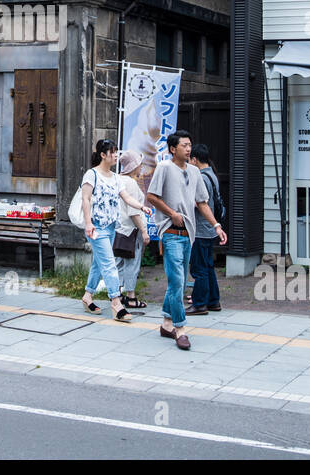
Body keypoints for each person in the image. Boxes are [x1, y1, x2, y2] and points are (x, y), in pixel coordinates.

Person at [146, 130, 220, 350]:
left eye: (190, 145)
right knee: (177, 282)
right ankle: (180, 329)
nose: (188, 149)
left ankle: (167, 323)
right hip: (170, 233)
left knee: (176, 282)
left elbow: (202, 203)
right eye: (184, 145)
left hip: (189, 234)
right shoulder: (164, 168)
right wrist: (172, 214)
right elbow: (151, 196)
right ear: (172, 149)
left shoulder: (196, 173)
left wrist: (216, 225)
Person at [80, 139, 151, 324]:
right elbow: (85, 200)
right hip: (96, 227)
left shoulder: (116, 178)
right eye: (112, 153)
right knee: (110, 264)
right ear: (103, 155)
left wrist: (142, 207)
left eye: (116, 152)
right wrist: (88, 223)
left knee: (98, 263)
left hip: (111, 227)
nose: (115, 156)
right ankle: (116, 303)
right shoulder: (91, 174)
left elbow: (126, 198)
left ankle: (88, 296)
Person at [189, 144, 227, 313]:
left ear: (194, 160)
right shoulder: (211, 174)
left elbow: (199, 203)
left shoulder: (202, 178)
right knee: (208, 265)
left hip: (201, 228)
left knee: (199, 267)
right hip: (209, 228)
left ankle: (199, 303)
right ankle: (213, 300)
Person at [111, 149, 149, 310]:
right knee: (132, 264)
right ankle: (131, 297)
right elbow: (134, 212)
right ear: (133, 165)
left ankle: (117, 294)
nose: (141, 167)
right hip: (132, 230)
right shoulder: (131, 183)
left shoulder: (116, 180)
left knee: (118, 262)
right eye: (139, 164)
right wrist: (144, 231)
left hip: (118, 229)